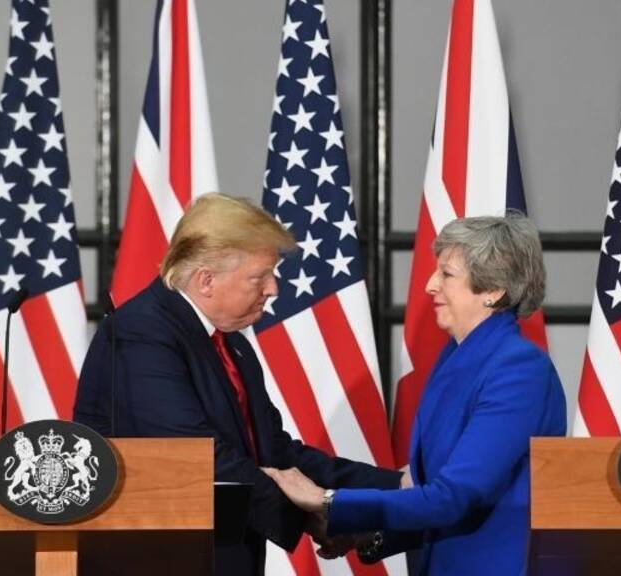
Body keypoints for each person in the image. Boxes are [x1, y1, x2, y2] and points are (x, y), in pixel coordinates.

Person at [73, 193, 403, 576]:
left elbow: (274, 452)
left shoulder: (230, 344)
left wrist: (394, 490)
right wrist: (318, 518)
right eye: (259, 276)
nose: (273, 289)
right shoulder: (141, 332)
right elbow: (197, 457)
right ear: (206, 280)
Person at [263, 213, 567, 576]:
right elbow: (434, 488)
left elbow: (455, 497)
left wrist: (329, 501)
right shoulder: (458, 356)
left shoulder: (518, 369)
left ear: (493, 290)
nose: (429, 285)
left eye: (447, 274)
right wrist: (370, 534)